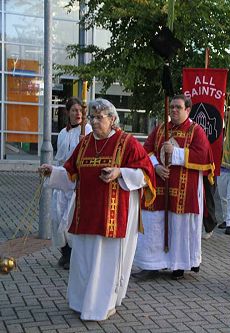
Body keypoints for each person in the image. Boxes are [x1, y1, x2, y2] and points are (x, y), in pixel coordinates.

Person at [39, 98, 155, 321]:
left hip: (113, 215)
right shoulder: (85, 143)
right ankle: (80, 301)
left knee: (105, 262)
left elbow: (145, 175)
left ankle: (103, 305)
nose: (93, 122)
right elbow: (71, 174)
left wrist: (120, 172)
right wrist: (51, 171)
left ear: (112, 119)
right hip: (86, 213)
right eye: (92, 117)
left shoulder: (127, 143)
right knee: (82, 260)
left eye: (98, 118)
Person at [133, 95, 215, 281]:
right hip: (160, 186)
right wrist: (156, 166)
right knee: (155, 224)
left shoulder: (196, 131)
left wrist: (176, 153)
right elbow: (146, 149)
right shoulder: (161, 128)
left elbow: (204, 156)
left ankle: (179, 265)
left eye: (178, 107)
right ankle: (151, 264)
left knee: (179, 227)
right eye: (171, 107)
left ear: (188, 110)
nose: (174, 111)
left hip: (184, 190)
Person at [50, 97, 92, 269]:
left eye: (80, 111)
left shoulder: (88, 130)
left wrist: (85, 143)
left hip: (77, 182)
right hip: (62, 180)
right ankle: (64, 252)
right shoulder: (62, 133)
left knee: (69, 219)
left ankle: (73, 255)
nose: (78, 114)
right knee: (56, 217)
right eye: (74, 110)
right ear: (68, 112)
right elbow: (61, 159)